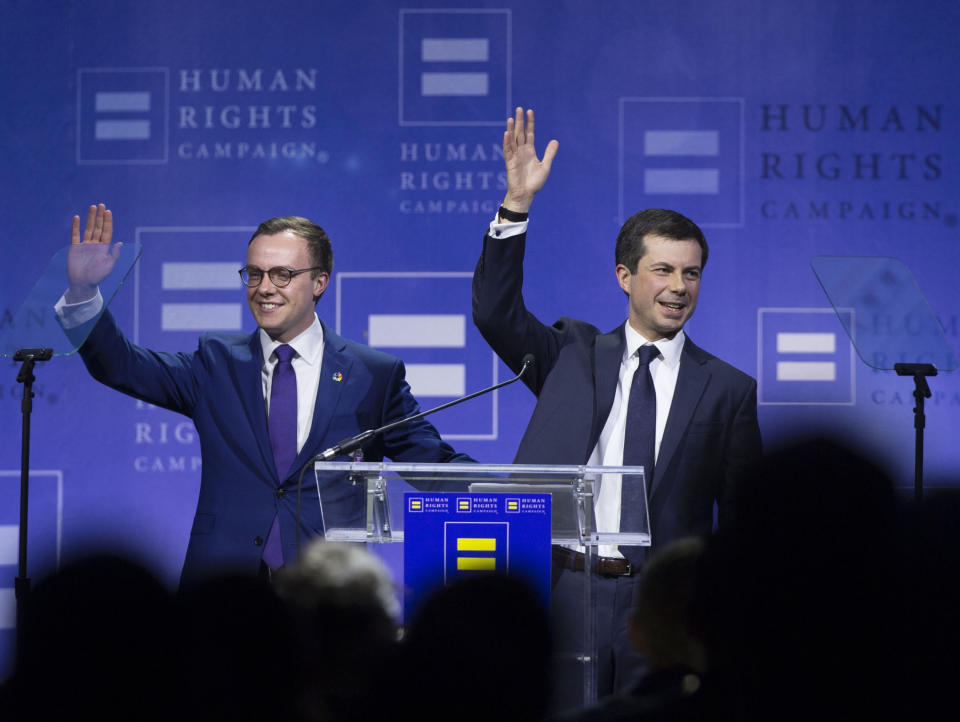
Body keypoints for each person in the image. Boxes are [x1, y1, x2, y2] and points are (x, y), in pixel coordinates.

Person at [472, 108, 761, 702]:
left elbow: (740, 523)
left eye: (692, 273)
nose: (679, 287)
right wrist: (516, 206)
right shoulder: (572, 354)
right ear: (625, 276)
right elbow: (494, 313)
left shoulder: (729, 389)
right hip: (565, 588)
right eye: (663, 270)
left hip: (665, 605)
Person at [58, 204, 472, 587]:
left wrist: (518, 492)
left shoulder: (372, 374)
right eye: (254, 274)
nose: (264, 288)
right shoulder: (216, 362)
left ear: (319, 283)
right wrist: (83, 294)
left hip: (326, 593)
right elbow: (122, 366)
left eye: (282, 275)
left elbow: (434, 465)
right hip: (225, 590)